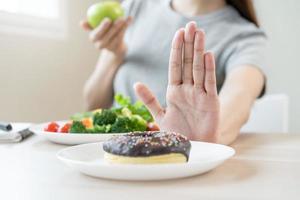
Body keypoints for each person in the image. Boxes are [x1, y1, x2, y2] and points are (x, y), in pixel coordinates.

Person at [80, 0, 267, 144]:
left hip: (169, 162)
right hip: (108, 156)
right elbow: (92, 104)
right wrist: (115, 54)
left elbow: (238, 100)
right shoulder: (136, 6)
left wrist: (206, 136)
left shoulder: (246, 37)